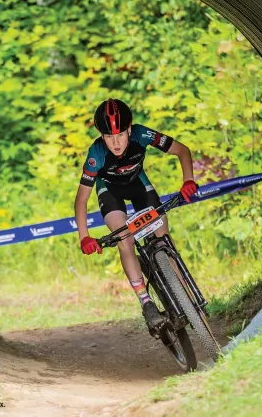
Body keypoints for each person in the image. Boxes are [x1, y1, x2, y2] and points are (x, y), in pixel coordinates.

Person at [73, 98, 198, 331]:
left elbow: (182, 150)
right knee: (124, 239)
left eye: (120, 135)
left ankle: (185, 295)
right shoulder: (96, 154)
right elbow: (81, 200)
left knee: (162, 237)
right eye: (109, 137)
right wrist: (84, 236)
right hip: (109, 191)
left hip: (138, 184)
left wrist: (188, 180)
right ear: (101, 136)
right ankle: (146, 302)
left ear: (130, 129)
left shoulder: (142, 135)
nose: (116, 143)